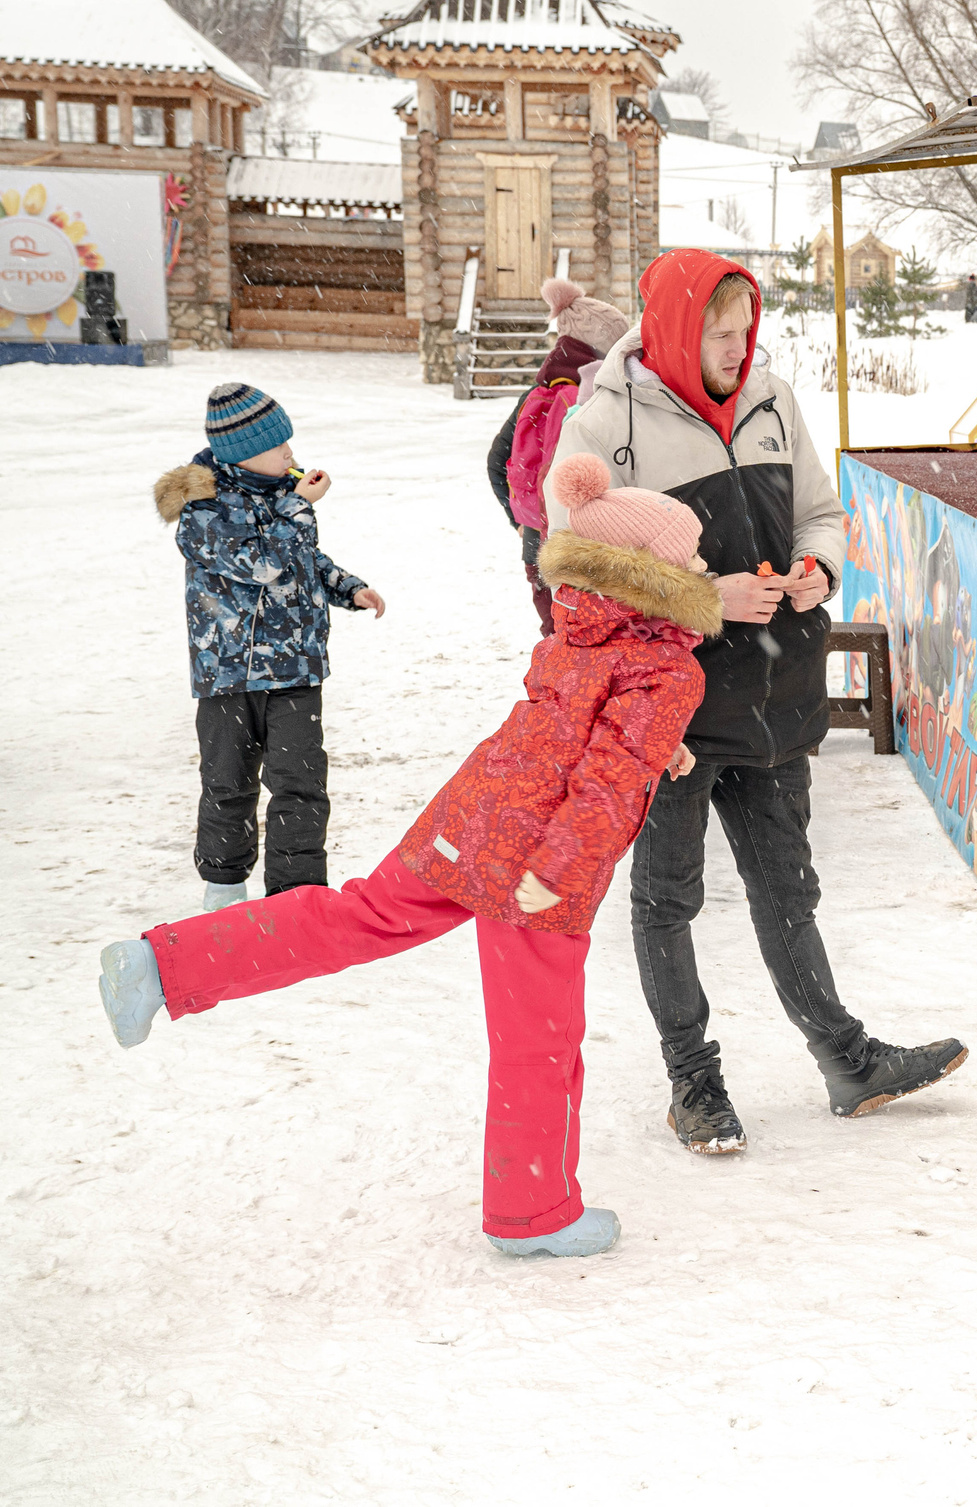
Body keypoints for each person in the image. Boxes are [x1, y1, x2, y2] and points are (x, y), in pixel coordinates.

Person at [99, 452, 722, 1258]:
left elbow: (573, 727)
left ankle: (160, 966)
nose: (706, 568)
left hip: (471, 818)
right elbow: (601, 783)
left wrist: (652, 750)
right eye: (693, 559)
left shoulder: (580, 626)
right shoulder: (666, 667)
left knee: (349, 917)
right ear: (651, 579)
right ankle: (534, 1213)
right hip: (536, 867)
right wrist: (557, 873)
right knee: (540, 1040)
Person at [547, 248, 967, 1156]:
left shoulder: (774, 401)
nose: (741, 351)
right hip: (670, 715)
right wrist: (707, 599)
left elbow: (822, 509)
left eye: (748, 333)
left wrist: (820, 567)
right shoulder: (604, 424)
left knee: (788, 891)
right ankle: (692, 1082)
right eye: (721, 335)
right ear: (672, 329)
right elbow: (575, 570)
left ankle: (847, 1062)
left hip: (775, 688)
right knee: (668, 898)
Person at [154, 384, 386, 913]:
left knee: (301, 782)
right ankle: (224, 889)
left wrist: (346, 586)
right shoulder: (203, 511)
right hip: (229, 676)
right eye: (277, 445)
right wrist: (298, 505)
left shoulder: (280, 495)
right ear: (240, 452)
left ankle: (297, 895)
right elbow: (262, 565)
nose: (289, 453)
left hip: (296, 670)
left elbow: (302, 557)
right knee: (228, 784)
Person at [485, 277, 633, 634]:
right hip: (584, 553)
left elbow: (496, 461)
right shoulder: (595, 400)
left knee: (558, 642)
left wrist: (522, 521)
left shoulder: (537, 392)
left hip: (539, 550)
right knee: (591, 649)